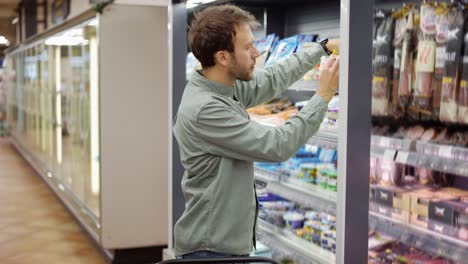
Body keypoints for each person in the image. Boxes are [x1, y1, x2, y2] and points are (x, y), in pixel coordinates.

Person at [173, 4, 340, 260]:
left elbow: (271, 78)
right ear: (223, 57)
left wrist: (321, 48)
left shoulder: (220, 87)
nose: (257, 52)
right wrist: (324, 94)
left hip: (221, 247)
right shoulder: (206, 108)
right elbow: (277, 145)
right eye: (248, 47)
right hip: (211, 252)